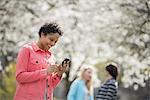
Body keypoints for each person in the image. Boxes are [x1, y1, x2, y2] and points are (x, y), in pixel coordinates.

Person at [14, 23, 69, 100]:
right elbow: (20, 77)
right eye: (51, 39)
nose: (53, 44)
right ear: (42, 34)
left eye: (55, 42)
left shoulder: (51, 57)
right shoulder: (27, 50)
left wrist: (59, 73)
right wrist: (45, 72)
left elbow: (50, 85)